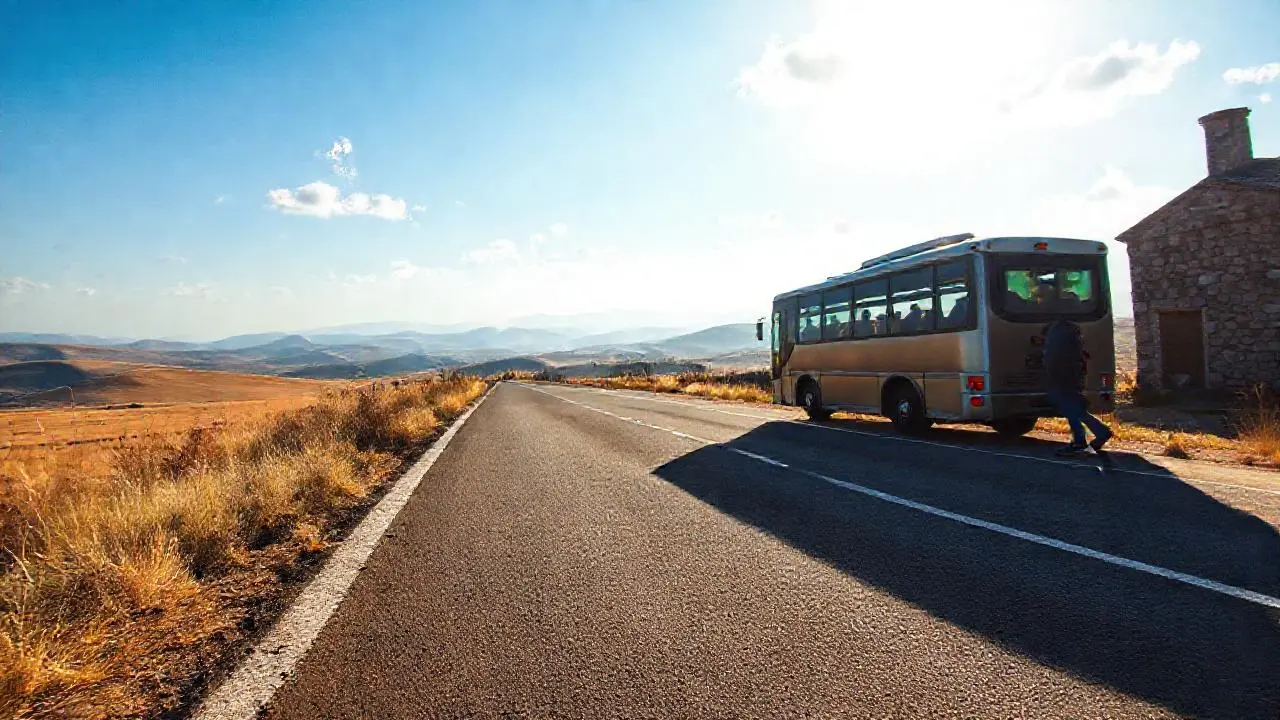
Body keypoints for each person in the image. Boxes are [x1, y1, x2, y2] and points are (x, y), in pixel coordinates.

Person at [1042, 319, 1112, 456]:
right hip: (1074, 379)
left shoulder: (1057, 344)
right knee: (1074, 409)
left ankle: (1083, 440)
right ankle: (1096, 434)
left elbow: (1051, 363)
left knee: (1071, 409)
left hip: (1062, 380)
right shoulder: (1074, 343)